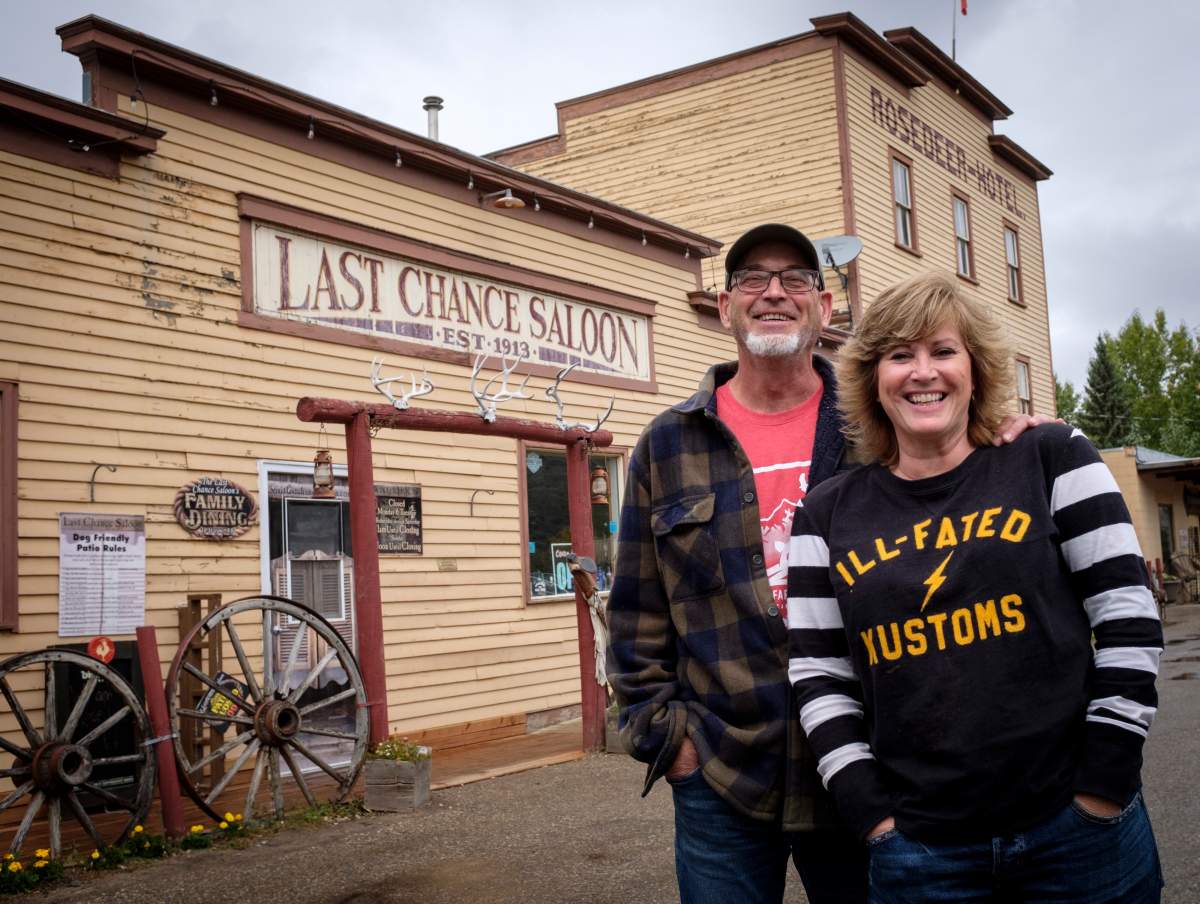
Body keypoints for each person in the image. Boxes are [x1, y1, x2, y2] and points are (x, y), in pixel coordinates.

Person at [606, 225, 1051, 904]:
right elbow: (635, 612)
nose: (774, 292)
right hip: (723, 772)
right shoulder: (669, 443)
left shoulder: (882, 417)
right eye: (753, 278)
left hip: (868, 765)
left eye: (796, 279)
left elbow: (960, 458)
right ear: (725, 306)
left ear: (825, 308)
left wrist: (1016, 433)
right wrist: (671, 745)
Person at [786, 271, 1164, 903]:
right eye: (899, 355)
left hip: (1077, 836)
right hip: (922, 854)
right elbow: (819, 674)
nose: (922, 372)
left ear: (976, 368)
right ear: (872, 380)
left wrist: (1104, 782)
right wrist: (872, 816)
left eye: (942, 351)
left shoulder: (1051, 457)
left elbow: (1127, 615)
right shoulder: (826, 515)